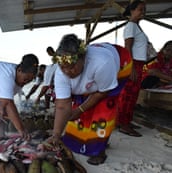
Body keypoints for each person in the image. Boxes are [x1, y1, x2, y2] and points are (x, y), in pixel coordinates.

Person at [47, 34, 132, 165]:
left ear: (83, 58)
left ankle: (99, 150)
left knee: (102, 110)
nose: (68, 71)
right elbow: (62, 106)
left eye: (72, 66)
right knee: (77, 112)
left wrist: (81, 109)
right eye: (63, 67)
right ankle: (81, 142)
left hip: (118, 65)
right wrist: (56, 135)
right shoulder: (60, 73)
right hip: (92, 82)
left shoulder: (101, 62)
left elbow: (104, 92)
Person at [117, 0, 148, 137]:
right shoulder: (130, 26)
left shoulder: (136, 26)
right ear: (132, 11)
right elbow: (127, 48)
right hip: (133, 63)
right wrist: (131, 68)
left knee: (133, 95)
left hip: (138, 63)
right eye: (140, 9)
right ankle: (123, 124)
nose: (143, 12)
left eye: (144, 9)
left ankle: (126, 121)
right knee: (128, 95)